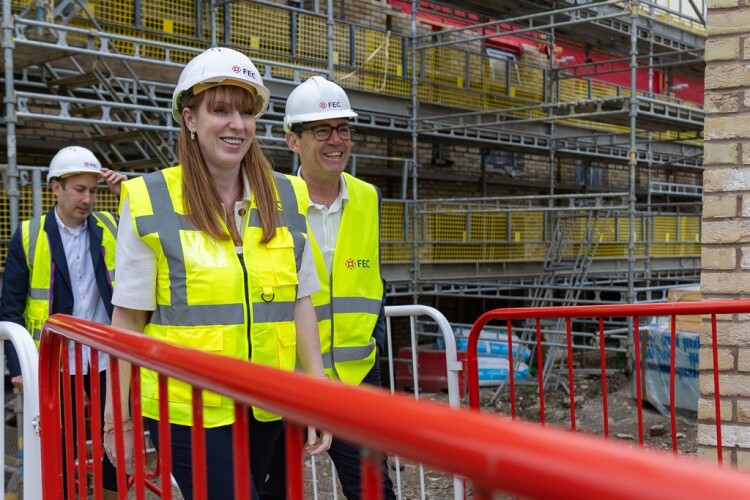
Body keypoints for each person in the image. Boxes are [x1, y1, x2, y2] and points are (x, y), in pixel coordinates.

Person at [102, 47, 331, 500]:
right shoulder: (148, 198)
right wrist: (117, 420)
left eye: (246, 112)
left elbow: (300, 300)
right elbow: (128, 321)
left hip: (268, 400)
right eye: (220, 110)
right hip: (187, 405)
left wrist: (317, 393)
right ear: (189, 119)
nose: (236, 124)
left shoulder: (289, 195)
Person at [263, 76, 396, 499]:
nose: (336, 140)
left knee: (375, 491)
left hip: (355, 376)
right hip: (286, 376)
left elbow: (368, 278)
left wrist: (370, 338)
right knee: (271, 492)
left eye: (343, 129)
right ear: (293, 141)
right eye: (322, 130)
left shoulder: (368, 197)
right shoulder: (269, 200)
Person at [0, 145, 126, 499]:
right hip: (57, 361)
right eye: (79, 189)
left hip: (104, 355)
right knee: (63, 442)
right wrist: (17, 367)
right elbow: (10, 306)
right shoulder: (28, 235)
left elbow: (147, 238)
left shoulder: (111, 225)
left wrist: (125, 195)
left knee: (113, 435)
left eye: (93, 190)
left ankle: (109, 494)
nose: (87, 199)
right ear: (56, 188)